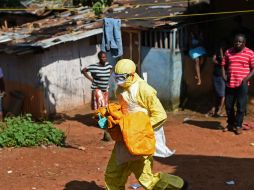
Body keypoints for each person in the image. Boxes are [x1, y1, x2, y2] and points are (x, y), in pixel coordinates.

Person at [105, 59, 188, 190]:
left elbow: (160, 115)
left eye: (121, 77)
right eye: (116, 77)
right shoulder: (120, 90)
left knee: (146, 180)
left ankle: (177, 186)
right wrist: (111, 118)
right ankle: (177, 185)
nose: (118, 80)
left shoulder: (144, 90)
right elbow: (124, 111)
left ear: (132, 75)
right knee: (113, 175)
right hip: (125, 139)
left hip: (140, 141)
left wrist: (139, 131)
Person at [221, 34, 254, 135]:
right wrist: (223, 75)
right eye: (236, 41)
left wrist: (245, 79)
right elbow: (223, 65)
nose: (237, 43)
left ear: (244, 43)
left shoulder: (250, 53)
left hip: (242, 84)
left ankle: (238, 125)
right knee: (228, 105)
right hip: (230, 82)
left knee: (241, 106)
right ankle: (231, 124)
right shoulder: (228, 52)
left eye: (240, 41)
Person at [82, 51, 112, 141]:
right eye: (102, 57)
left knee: (106, 107)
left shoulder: (108, 65)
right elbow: (83, 70)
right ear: (99, 58)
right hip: (97, 89)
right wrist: (91, 79)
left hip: (105, 89)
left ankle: (102, 122)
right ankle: (102, 123)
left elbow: (111, 69)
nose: (104, 58)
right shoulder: (94, 66)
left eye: (105, 57)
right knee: (100, 106)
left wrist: (108, 76)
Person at [206, 41, 227, 117]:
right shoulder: (217, 53)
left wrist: (221, 58)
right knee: (216, 93)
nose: (221, 47)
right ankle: (214, 108)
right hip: (216, 75)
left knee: (222, 94)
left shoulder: (227, 53)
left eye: (222, 46)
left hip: (222, 76)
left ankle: (220, 110)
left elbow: (223, 62)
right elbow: (214, 60)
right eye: (220, 46)